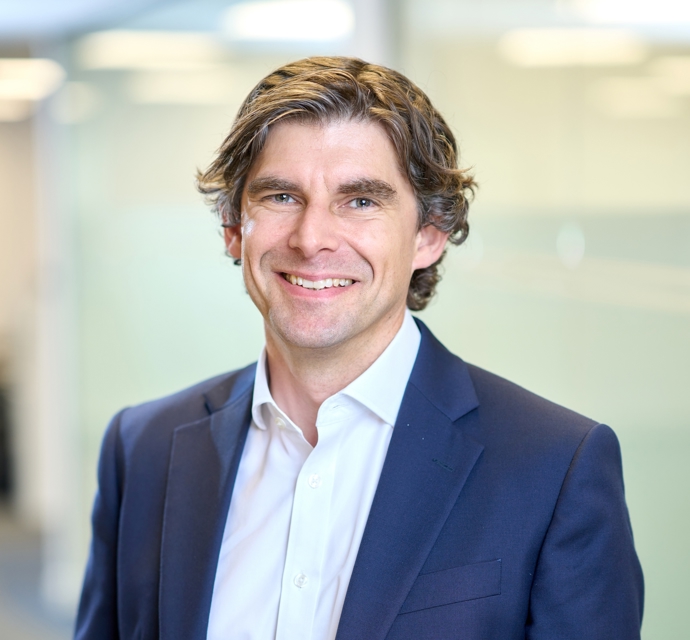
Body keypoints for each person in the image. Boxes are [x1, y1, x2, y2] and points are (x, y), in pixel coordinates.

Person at [75, 56, 643, 640]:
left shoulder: (553, 468)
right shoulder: (143, 451)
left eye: (361, 201)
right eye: (280, 197)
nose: (312, 238)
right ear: (231, 228)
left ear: (429, 235)